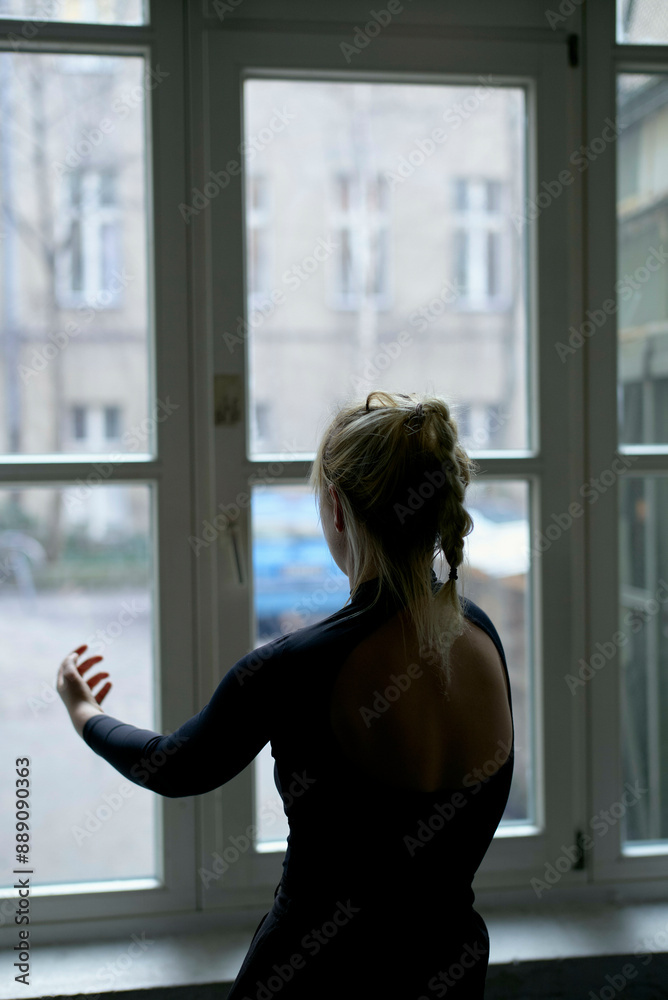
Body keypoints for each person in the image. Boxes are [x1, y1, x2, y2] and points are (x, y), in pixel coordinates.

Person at [57, 389, 514, 999]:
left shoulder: (297, 666)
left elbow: (173, 766)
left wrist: (82, 709)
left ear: (337, 508)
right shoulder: (481, 637)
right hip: (447, 971)